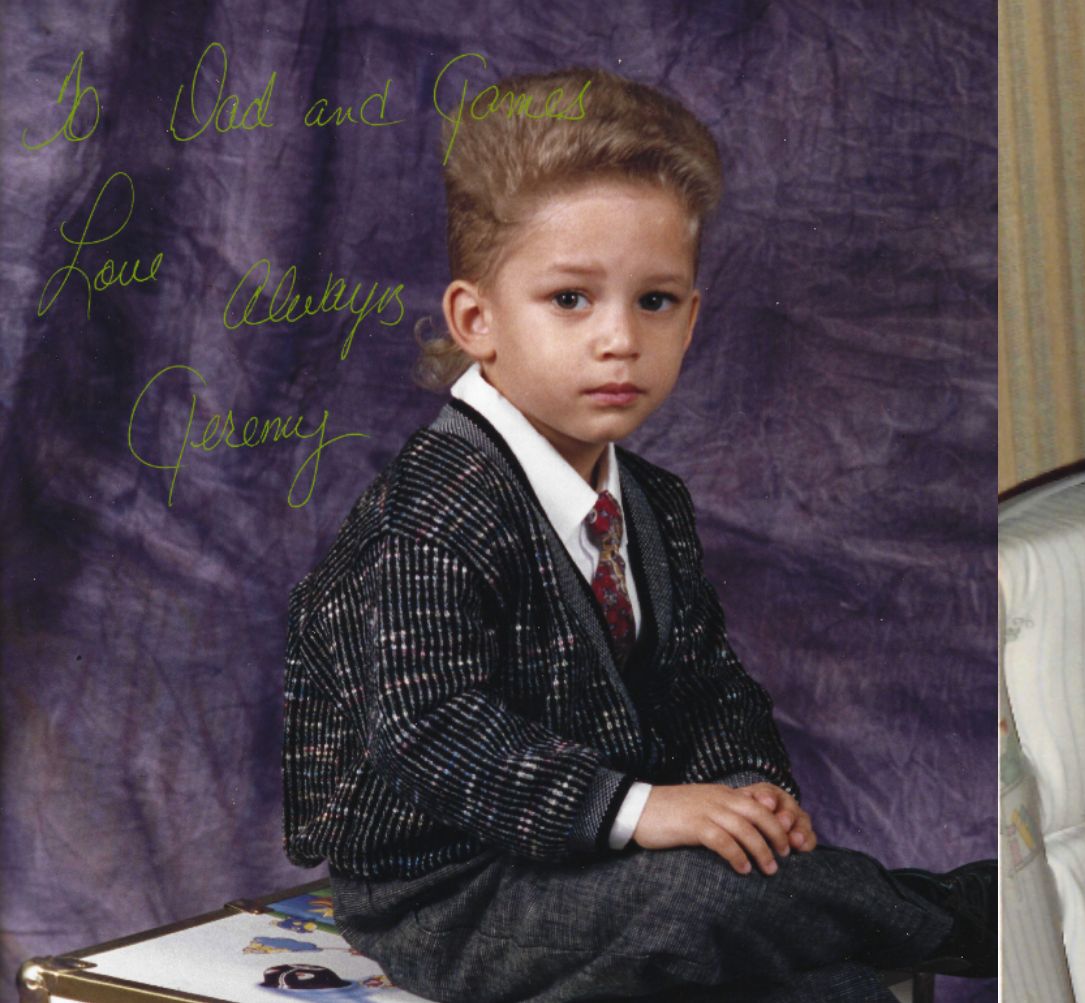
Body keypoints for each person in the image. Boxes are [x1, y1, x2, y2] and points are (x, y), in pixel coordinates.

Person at [281, 68, 992, 1003]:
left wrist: (744, 782)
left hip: (602, 862)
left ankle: (884, 940)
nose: (619, 338)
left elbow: (705, 680)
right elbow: (430, 725)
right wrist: (636, 805)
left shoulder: (651, 503)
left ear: (691, 320)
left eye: (653, 301)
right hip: (453, 890)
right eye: (571, 299)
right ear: (476, 320)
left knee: (805, 963)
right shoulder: (436, 506)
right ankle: (959, 918)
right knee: (700, 901)